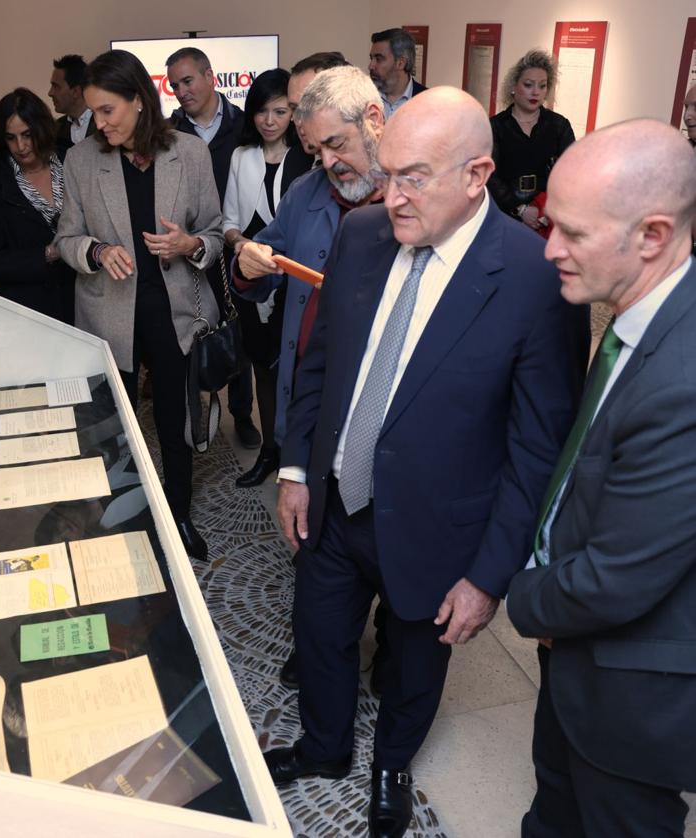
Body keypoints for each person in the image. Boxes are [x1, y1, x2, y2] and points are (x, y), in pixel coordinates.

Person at [263, 87, 588, 838]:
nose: (390, 195)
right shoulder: (363, 236)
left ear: (476, 175)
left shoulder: (535, 279)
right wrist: (294, 471)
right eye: (386, 172)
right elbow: (321, 363)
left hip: (441, 530)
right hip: (337, 501)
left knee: (414, 666)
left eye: (413, 176)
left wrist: (487, 577)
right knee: (318, 633)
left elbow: (538, 446)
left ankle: (390, 766)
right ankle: (323, 748)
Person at [507, 119, 696, 837]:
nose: (548, 249)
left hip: (634, 690)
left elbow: (618, 579)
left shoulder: (681, 380)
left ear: (650, 235)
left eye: (573, 235)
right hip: (579, 658)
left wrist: (524, 595)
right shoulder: (634, 318)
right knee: (554, 807)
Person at [234, 65, 386, 690]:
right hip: (314, 407)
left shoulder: (415, 201)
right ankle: (323, 643)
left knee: (393, 552)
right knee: (316, 543)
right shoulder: (307, 195)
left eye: (336, 146)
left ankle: (398, 655)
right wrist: (247, 264)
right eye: (316, 151)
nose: (327, 163)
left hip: (384, 416)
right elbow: (264, 265)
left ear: (374, 122)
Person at [56, 50, 223, 561]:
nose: (98, 123)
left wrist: (188, 245)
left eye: (107, 111)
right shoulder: (83, 159)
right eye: (93, 112)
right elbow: (66, 238)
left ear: (138, 100)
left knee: (175, 423)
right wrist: (97, 251)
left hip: (173, 312)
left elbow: (214, 235)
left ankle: (177, 518)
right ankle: (123, 519)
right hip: (110, 312)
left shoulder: (190, 155)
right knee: (115, 425)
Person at [167, 46, 260, 450]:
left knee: (238, 331)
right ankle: (196, 418)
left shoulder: (244, 126)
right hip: (191, 246)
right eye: (173, 85)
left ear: (210, 77)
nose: (181, 91)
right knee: (194, 333)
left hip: (236, 246)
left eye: (187, 81)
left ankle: (242, 414)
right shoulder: (169, 133)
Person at [222, 69, 312, 488]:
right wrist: (246, 246)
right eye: (261, 111)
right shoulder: (242, 158)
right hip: (253, 276)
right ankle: (269, 453)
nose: (270, 121)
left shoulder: (309, 158)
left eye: (281, 111)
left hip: (299, 284)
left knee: (302, 371)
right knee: (263, 370)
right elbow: (228, 221)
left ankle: (298, 458)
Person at [0, 88, 75, 323]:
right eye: (11, 138)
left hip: (82, 300)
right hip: (26, 312)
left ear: (42, 128)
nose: (21, 146)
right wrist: (47, 254)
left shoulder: (71, 160)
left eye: (27, 134)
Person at [488, 49, 574, 234]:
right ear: (513, 86)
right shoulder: (496, 126)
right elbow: (489, 175)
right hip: (505, 218)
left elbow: (572, 173)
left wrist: (547, 208)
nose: (536, 92)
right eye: (528, 85)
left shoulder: (559, 126)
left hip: (548, 219)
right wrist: (520, 209)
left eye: (542, 86)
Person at [287, 51, 350, 153]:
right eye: (294, 109)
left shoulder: (379, 165)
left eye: (309, 108)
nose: (299, 122)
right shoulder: (295, 160)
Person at [369, 28, 426, 120]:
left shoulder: (427, 100)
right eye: (371, 59)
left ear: (400, 63)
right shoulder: (363, 99)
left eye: (379, 59)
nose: (371, 66)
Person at [48, 54, 95, 153]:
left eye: (56, 87)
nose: (50, 93)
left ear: (75, 91)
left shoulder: (105, 125)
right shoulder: (55, 129)